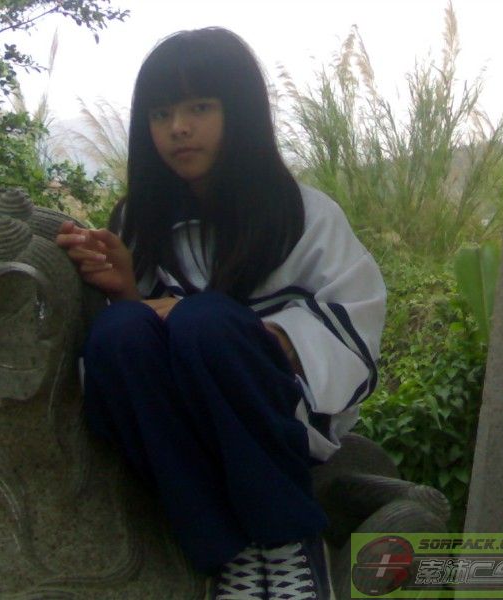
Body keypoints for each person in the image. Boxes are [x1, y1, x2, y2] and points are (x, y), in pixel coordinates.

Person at [56, 27, 386, 600]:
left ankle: (287, 541)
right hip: (184, 422)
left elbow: (352, 321)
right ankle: (226, 555)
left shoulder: (304, 214)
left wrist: (234, 329)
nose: (178, 128)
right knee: (116, 333)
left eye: (200, 107)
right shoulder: (138, 220)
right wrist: (126, 292)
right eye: (161, 113)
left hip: (281, 413)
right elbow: (143, 357)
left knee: (205, 322)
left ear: (242, 111)